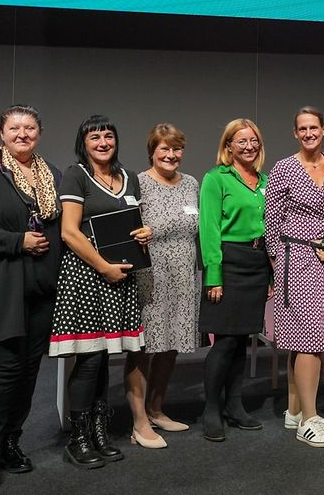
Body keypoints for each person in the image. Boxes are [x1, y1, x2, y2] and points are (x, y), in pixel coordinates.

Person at [49, 115, 152, 468]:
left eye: (109, 136)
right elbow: (69, 232)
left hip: (119, 279)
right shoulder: (77, 174)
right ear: (84, 142)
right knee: (90, 358)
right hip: (87, 276)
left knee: (106, 356)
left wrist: (143, 233)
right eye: (95, 137)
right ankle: (77, 438)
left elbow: (131, 222)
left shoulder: (130, 177)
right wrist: (103, 267)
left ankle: (99, 431)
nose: (103, 142)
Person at [0, 106, 62, 487]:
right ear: (1, 133)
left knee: (28, 372)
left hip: (41, 291)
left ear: (39, 133)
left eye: (29, 128)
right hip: (0, 287)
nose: (22, 134)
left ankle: (11, 442)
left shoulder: (53, 176)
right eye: (15, 128)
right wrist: (17, 241)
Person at [265, 107, 324, 448]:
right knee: (307, 335)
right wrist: (276, 261)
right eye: (302, 128)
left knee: (318, 333)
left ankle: (295, 410)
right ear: (295, 133)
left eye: (314, 127)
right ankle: (309, 422)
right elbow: (271, 221)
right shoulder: (283, 168)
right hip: (295, 257)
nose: (309, 133)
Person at [124, 124, 201, 449]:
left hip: (184, 274)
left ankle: (156, 409)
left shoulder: (192, 184)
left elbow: (198, 225)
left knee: (170, 344)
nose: (171, 155)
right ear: (152, 152)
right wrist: (141, 232)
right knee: (145, 346)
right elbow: (126, 228)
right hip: (150, 274)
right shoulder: (138, 184)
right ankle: (139, 421)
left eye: (176, 149)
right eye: (164, 149)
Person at [198, 119, 271, 442]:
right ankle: (211, 408)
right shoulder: (216, 179)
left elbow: (269, 231)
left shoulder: (264, 180)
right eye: (240, 141)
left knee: (243, 339)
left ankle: (235, 405)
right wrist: (213, 275)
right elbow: (209, 230)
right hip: (227, 263)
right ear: (228, 146)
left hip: (256, 263)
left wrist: (269, 274)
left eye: (253, 140)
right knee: (225, 341)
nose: (248, 146)